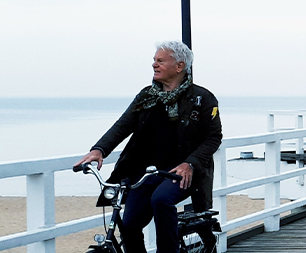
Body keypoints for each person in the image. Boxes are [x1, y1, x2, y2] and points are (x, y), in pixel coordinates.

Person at [73, 41, 221, 253]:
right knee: (129, 223)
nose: (154, 65)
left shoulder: (202, 98)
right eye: (154, 60)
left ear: (179, 66)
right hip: (145, 173)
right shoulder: (146, 96)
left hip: (181, 172)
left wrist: (190, 163)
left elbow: (214, 138)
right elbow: (123, 125)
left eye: (160, 61)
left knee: (161, 200)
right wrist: (99, 149)